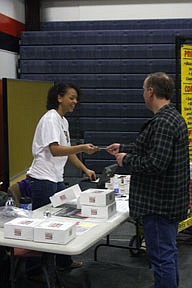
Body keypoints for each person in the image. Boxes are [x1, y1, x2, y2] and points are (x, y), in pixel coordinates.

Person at [107, 72, 190, 288]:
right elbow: (156, 150)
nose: (143, 93)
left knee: (162, 257)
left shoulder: (162, 122)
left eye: (144, 89)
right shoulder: (172, 118)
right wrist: (124, 149)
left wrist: (127, 160)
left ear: (151, 91)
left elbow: (155, 164)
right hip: (168, 203)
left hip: (159, 205)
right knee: (167, 255)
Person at [27, 82, 98, 269]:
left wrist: (85, 169)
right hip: (43, 179)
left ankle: (62, 262)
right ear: (59, 98)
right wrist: (82, 147)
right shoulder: (50, 119)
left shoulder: (63, 121)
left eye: (76, 99)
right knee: (44, 224)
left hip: (56, 178)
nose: (75, 102)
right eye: (71, 97)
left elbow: (68, 152)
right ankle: (36, 269)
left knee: (62, 220)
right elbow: (56, 150)